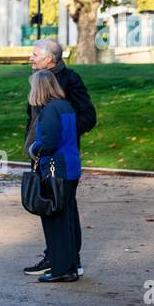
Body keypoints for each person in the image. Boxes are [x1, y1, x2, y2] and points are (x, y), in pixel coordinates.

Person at [23, 37, 94, 277]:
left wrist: (63, 137)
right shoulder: (39, 81)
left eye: (35, 54)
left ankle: (68, 261)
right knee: (50, 207)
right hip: (43, 154)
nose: (30, 58)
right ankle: (56, 257)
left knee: (62, 208)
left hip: (57, 157)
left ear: (49, 58)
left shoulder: (69, 80)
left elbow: (87, 116)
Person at [26, 70, 82, 283]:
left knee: (55, 220)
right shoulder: (66, 106)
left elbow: (48, 144)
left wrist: (33, 149)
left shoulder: (49, 110)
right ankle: (70, 265)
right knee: (66, 218)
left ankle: (61, 269)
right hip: (70, 167)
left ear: (40, 88)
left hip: (55, 168)